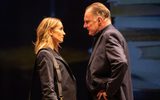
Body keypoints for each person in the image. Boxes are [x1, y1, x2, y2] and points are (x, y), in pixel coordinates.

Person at [83, 2, 134, 100]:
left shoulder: (109, 35)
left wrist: (108, 90)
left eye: (87, 21)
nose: (84, 26)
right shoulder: (104, 35)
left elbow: (121, 63)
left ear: (99, 20)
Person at [29, 17, 77, 100]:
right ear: (50, 31)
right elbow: (48, 91)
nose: (64, 33)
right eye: (61, 29)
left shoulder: (52, 54)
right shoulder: (45, 54)